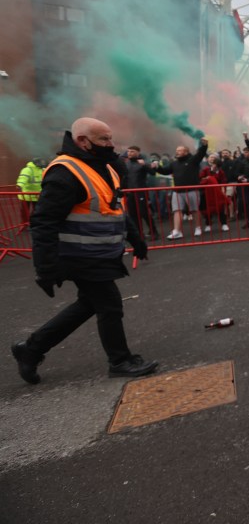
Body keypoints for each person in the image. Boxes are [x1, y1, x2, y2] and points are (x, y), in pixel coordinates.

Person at [10, 118, 157, 384]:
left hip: (101, 254)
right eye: (104, 139)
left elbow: (116, 208)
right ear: (82, 141)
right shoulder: (65, 172)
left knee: (89, 304)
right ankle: (120, 360)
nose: (111, 144)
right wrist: (45, 268)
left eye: (111, 138)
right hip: (80, 256)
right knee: (109, 305)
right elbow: (43, 221)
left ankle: (30, 349)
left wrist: (137, 240)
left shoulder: (105, 167)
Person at [155, 138, 209, 239]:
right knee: (177, 210)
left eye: (179, 150)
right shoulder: (174, 163)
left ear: (186, 152)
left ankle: (198, 228)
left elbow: (200, 154)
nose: (177, 152)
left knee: (194, 210)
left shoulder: (193, 160)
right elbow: (165, 171)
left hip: (192, 190)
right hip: (177, 191)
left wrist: (204, 146)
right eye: (176, 151)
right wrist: (157, 167)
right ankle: (177, 231)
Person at [122, 145, 159, 240]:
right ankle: (139, 234)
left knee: (144, 213)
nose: (129, 153)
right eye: (128, 151)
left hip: (141, 192)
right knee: (133, 214)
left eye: (132, 151)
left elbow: (153, 173)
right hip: (130, 193)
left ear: (138, 153)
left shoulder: (142, 162)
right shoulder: (126, 164)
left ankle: (154, 232)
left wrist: (145, 165)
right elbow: (125, 178)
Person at [16, 157, 45, 222]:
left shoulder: (43, 170)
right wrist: (19, 184)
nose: (42, 164)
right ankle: (25, 223)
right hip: (26, 195)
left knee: (37, 211)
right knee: (25, 211)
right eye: (41, 162)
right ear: (36, 163)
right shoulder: (27, 170)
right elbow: (23, 177)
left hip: (37, 195)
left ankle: (33, 222)